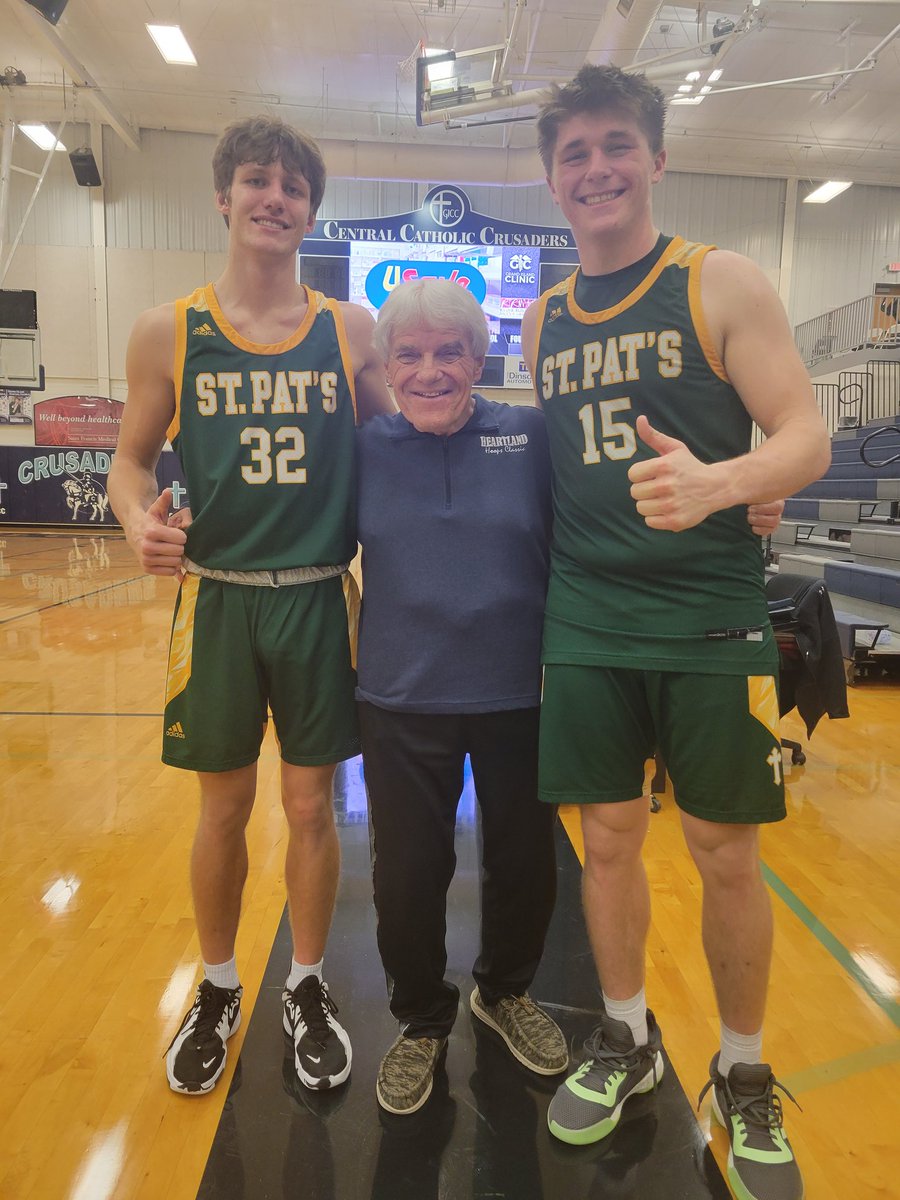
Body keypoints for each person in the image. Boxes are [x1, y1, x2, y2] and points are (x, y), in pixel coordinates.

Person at [521, 65, 831, 1200]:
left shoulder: (720, 280)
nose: (594, 168)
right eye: (574, 153)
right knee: (606, 842)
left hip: (707, 621)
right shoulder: (544, 315)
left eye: (616, 146)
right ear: (552, 176)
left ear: (655, 158)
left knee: (723, 855)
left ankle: (743, 1074)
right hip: (587, 621)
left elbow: (805, 436)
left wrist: (729, 482)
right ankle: (623, 1035)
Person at [108, 116, 392, 1097]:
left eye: (294, 187)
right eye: (258, 181)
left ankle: (305, 985)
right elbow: (128, 464)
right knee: (222, 806)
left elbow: (401, 452)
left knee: (311, 807)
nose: (276, 198)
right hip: (219, 600)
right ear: (223, 197)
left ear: (312, 209)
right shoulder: (168, 329)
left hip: (319, 596)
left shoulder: (348, 328)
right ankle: (221, 985)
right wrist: (137, 520)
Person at [355, 278, 567, 1115]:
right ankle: (420, 1020)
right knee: (407, 873)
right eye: (409, 354)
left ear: (481, 359)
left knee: (522, 863)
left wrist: (748, 502)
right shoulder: (364, 446)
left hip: (520, 691)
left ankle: (504, 991)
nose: (431, 370)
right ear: (387, 365)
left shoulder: (533, 436)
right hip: (401, 696)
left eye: (450, 352)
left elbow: (612, 511)